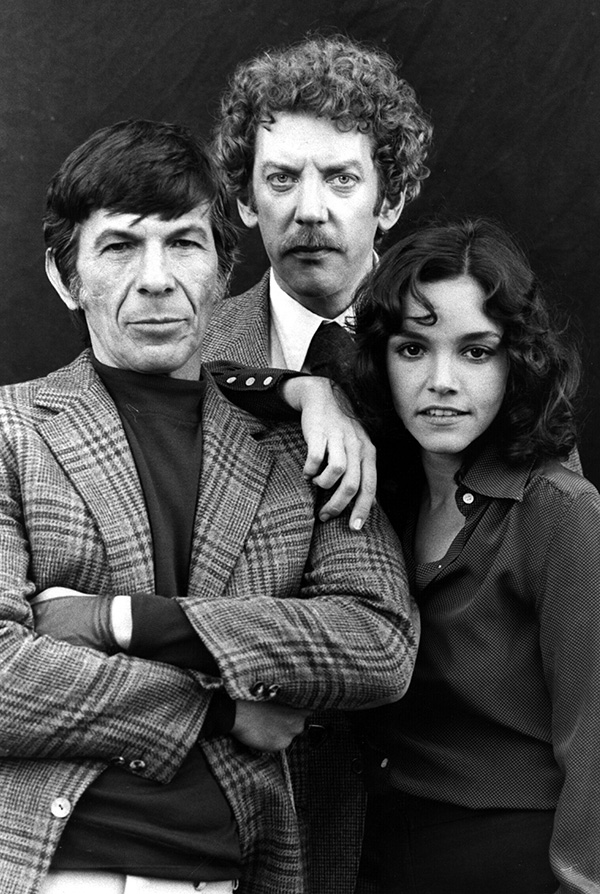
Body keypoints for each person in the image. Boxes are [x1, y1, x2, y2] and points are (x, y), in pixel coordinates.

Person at [0, 118, 419, 894]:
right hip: (42, 866)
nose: (156, 279)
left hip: (230, 874)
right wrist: (219, 711)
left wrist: (123, 621)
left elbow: (379, 643)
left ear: (224, 268)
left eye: (184, 244)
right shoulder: (11, 432)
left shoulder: (302, 449)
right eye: (119, 247)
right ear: (65, 276)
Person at [347, 217, 599, 893]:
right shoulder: (380, 496)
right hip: (378, 857)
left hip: (518, 861)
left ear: (518, 361)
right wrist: (303, 392)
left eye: (476, 352)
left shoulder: (559, 512)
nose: (441, 381)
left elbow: (597, 739)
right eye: (412, 349)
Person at [202, 33, 432, 376]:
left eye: (342, 179)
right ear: (247, 201)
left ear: (389, 202)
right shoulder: (194, 352)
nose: (310, 212)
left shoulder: (449, 346)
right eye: (282, 178)